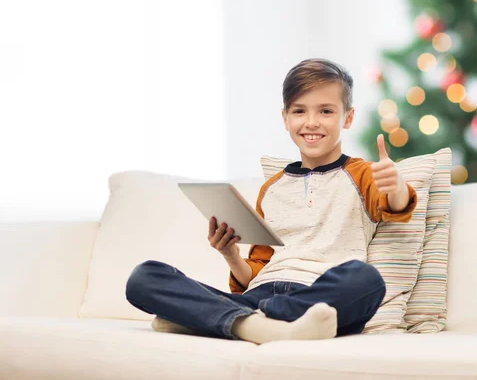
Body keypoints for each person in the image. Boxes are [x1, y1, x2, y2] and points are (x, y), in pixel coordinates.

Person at [125, 58, 417, 344]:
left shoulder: (362, 174)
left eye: (326, 111)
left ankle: (222, 320)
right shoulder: (272, 188)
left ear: (348, 117)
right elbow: (259, 267)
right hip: (261, 295)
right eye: (299, 111)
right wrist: (231, 255)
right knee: (145, 277)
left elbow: (396, 204)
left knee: (366, 279)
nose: (311, 122)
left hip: (317, 297)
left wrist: (397, 185)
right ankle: (259, 325)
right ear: (285, 118)